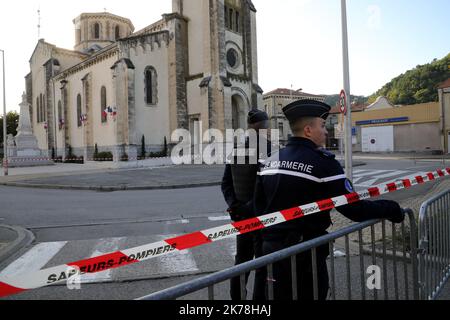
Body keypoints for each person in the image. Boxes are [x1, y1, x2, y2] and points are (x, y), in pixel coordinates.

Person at [253, 99, 405, 300]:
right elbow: (354, 209)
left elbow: (258, 206)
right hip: (305, 254)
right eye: (322, 126)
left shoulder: (271, 159)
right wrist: (391, 208)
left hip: (271, 250)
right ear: (308, 130)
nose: (326, 131)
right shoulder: (324, 163)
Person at [221, 109, 271, 301]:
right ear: (265, 127)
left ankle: (236, 300)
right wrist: (250, 207)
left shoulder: (236, 149)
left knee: (241, 260)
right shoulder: (268, 149)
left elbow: (225, 183)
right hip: (261, 217)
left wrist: (234, 205)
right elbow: (266, 185)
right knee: (262, 263)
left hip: (241, 215)